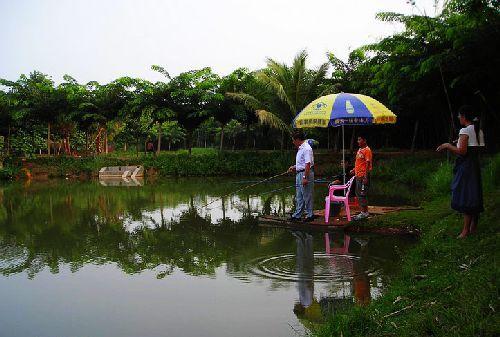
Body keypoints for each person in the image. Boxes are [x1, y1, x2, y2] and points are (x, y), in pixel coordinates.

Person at [437, 105, 485, 238]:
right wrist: (459, 141)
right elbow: (476, 148)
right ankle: (473, 227)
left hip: (466, 166)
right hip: (474, 165)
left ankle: (465, 231)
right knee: (474, 194)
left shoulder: (464, 130)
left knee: (466, 196)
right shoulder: (477, 130)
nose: (458, 117)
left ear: (464, 116)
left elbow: (462, 151)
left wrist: (448, 146)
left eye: (459, 115)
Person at [288, 131, 315, 221]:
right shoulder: (300, 148)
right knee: (299, 196)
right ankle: (297, 215)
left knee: (307, 195)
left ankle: (310, 215)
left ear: (298, 139)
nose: (293, 142)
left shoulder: (307, 148)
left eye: (293, 140)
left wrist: (305, 177)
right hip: (299, 173)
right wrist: (294, 167)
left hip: (305, 174)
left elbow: (308, 164)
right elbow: (302, 164)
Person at [350, 135, 372, 220]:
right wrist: (354, 169)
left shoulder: (367, 150)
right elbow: (359, 163)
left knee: (362, 194)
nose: (358, 141)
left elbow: (367, 164)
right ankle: (364, 212)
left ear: (364, 140)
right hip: (358, 175)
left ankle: (364, 212)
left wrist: (365, 176)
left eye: (359, 140)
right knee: (358, 193)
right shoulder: (359, 150)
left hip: (363, 175)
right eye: (358, 140)